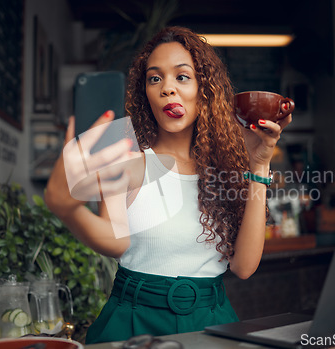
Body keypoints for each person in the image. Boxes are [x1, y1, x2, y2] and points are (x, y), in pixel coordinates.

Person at [44, 26, 292, 344]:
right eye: (155, 78)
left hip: (212, 320)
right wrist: (67, 208)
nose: (167, 89)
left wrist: (259, 163)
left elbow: (244, 267)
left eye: (182, 77)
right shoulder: (127, 155)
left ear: (205, 91)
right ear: (145, 91)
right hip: (133, 320)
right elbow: (114, 241)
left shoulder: (226, 169)